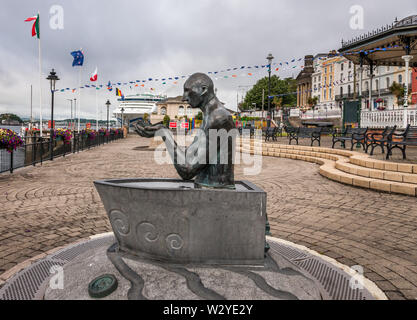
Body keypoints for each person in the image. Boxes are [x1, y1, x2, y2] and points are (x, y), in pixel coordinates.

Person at [135, 73, 236, 189]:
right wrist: (162, 129)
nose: (184, 97)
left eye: (188, 91)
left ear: (203, 90)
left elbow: (187, 171)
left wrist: (164, 133)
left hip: (217, 193)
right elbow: (189, 155)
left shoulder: (219, 118)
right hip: (208, 188)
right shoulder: (210, 116)